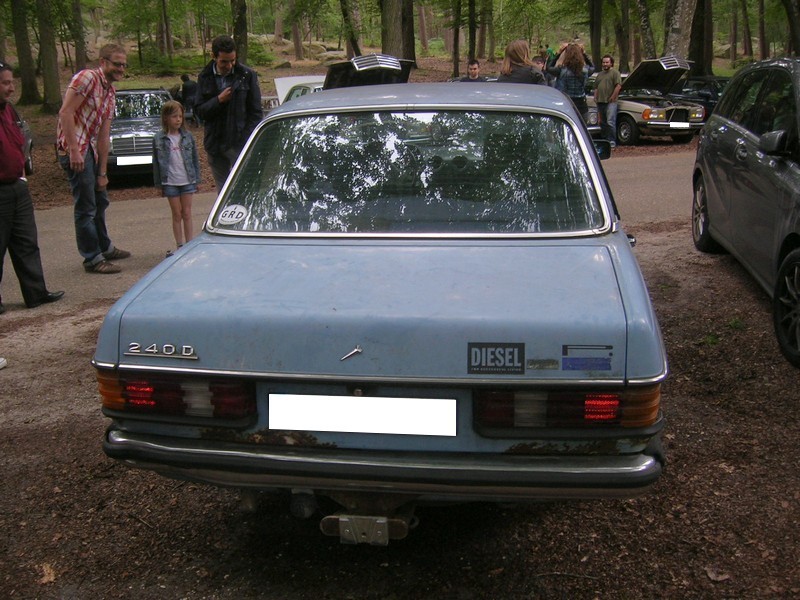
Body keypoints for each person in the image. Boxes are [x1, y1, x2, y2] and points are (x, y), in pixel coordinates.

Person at [57, 43, 131, 274]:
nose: (120, 68)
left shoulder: (110, 91)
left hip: (91, 150)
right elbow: (66, 112)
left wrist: (102, 172)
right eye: (116, 64)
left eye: (123, 65)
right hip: (75, 148)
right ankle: (92, 257)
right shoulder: (87, 78)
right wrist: (74, 150)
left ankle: (104, 247)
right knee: (86, 206)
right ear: (103, 63)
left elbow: (104, 133)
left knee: (101, 200)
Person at [0, 61, 64, 313]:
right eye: (5, 83)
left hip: (17, 185)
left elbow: (20, 140)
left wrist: (23, 174)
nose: (11, 88)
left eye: (11, 82)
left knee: (27, 241)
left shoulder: (10, 110)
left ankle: (35, 292)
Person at [195, 35, 263, 191]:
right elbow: (199, 112)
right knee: (223, 192)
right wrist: (218, 100)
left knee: (246, 187)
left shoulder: (247, 75)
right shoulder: (204, 77)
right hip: (215, 145)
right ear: (214, 57)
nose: (229, 65)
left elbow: (256, 113)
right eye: (224, 61)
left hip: (239, 143)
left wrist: (245, 138)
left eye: (232, 60)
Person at [153, 100, 200, 255]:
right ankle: (179, 245)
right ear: (166, 118)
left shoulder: (187, 137)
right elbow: (156, 163)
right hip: (170, 181)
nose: (178, 119)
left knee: (187, 212)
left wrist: (196, 179)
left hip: (187, 179)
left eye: (180, 116)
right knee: (177, 213)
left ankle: (190, 244)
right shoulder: (159, 138)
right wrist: (159, 183)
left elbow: (194, 159)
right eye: (174, 116)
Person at [547, 42, 594, 123]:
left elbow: (548, 67)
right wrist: (584, 53)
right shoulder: (585, 71)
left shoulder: (561, 70)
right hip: (581, 105)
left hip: (565, 103)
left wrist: (559, 52)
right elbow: (593, 67)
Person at [594, 54, 622, 145]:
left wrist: (613, 96)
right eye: (604, 62)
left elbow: (618, 86)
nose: (605, 64)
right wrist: (595, 96)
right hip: (600, 101)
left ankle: (612, 140)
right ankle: (605, 140)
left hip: (611, 102)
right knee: (602, 122)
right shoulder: (599, 74)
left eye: (607, 62)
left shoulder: (615, 73)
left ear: (611, 63)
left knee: (610, 121)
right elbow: (596, 87)